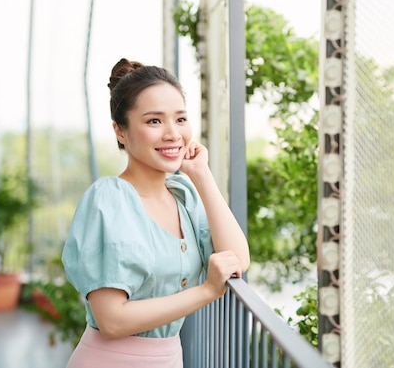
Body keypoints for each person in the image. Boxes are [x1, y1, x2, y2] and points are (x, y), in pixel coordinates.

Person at [61, 58, 251, 368]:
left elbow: (237, 260)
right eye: (154, 121)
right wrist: (205, 292)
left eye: (180, 119)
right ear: (121, 131)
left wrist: (201, 175)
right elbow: (112, 321)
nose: (173, 134)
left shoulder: (183, 194)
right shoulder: (108, 200)